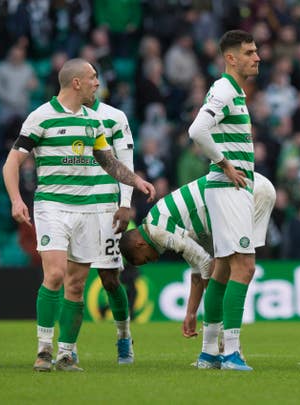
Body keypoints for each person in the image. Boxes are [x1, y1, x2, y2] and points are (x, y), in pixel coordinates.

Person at [2, 58, 156, 372]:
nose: (97, 83)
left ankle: (66, 353)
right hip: (53, 207)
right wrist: (16, 200)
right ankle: (44, 349)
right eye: (93, 78)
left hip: (89, 211)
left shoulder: (94, 121)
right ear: (76, 83)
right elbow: (11, 163)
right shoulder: (41, 117)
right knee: (55, 274)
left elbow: (107, 160)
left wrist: (135, 181)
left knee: (76, 284)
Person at [118, 172, 275, 342]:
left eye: (146, 259)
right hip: (252, 187)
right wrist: (191, 313)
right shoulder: (162, 222)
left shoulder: (159, 231)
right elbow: (198, 269)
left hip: (248, 191)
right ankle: (220, 345)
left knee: (238, 268)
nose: (154, 260)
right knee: (230, 266)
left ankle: (226, 345)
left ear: (139, 244)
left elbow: (205, 263)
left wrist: (211, 313)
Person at [186, 29, 260, 371]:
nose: (256, 57)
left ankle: (209, 353)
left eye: (255, 51)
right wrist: (225, 164)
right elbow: (196, 130)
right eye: (248, 52)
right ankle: (230, 352)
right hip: (228, 188)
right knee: (244, 267)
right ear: (230, 58)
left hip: (231, 189)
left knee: (223, 269)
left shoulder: (235, 92)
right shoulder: (225, 89)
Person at [85, 97, 136, 364]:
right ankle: (66, 349)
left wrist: (125, 203)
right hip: (71, 205)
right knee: (71, 277)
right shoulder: (56, 114)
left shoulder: (115, 116)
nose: (95, 83)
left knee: (109, 278)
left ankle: (124, 337)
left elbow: (125, 160)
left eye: (97, 78)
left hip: (106, 206)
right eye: (91, 78)